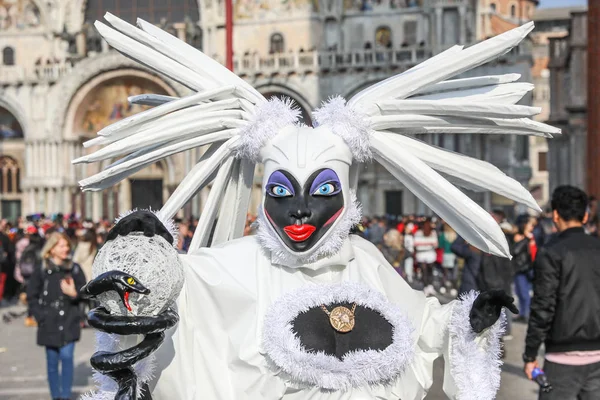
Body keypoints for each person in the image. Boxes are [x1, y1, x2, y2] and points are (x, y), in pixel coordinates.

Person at [76, 17, 550, 400]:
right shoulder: (239, 264)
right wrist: (141, 250)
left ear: (345, 197)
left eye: (320, 192)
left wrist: (469, 319)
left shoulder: (365, 261)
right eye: (282, 194)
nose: (300, 212)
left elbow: (422, 322)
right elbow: (174, 293)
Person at [523, 186, 600, 399]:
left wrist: (530, 354)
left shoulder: (551, 252)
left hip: (562, 357)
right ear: (585, 216)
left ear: (555, 215)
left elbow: (542, 306)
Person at [27, 232, 86, 400]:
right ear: (51, 249)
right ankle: (56, 396)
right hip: (49, 320)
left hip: (69, 318)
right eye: (61, 246)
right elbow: (32, 294)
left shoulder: (74, 268)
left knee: (67, 357)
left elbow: (85, 292)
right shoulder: (42, 269)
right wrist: (40, 315)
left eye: (67, 245)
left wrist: (74, 293)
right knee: (52, 362)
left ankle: (65, 396)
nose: (66, 249)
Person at [512, 215, 536, 322]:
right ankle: (523, 313)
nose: (532, 227)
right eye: (530, 224)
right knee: (521, 293)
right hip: (520, 269)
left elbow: (534, 253)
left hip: (528, 269)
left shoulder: (531, 237)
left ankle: (525, 314)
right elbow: (515, 251)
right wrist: (526, 240)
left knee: (525, 294)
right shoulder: (519, 237)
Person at [413, 218, 438, 294]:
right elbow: (416, 244)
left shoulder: (433, 233)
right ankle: (426, 286)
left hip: (429, 255)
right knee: (425, 272)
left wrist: (424, 244)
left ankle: (429, 286)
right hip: (423, 255)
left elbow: (435, 244)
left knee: (429, 271)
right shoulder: (418, 233)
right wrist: (429, 244)